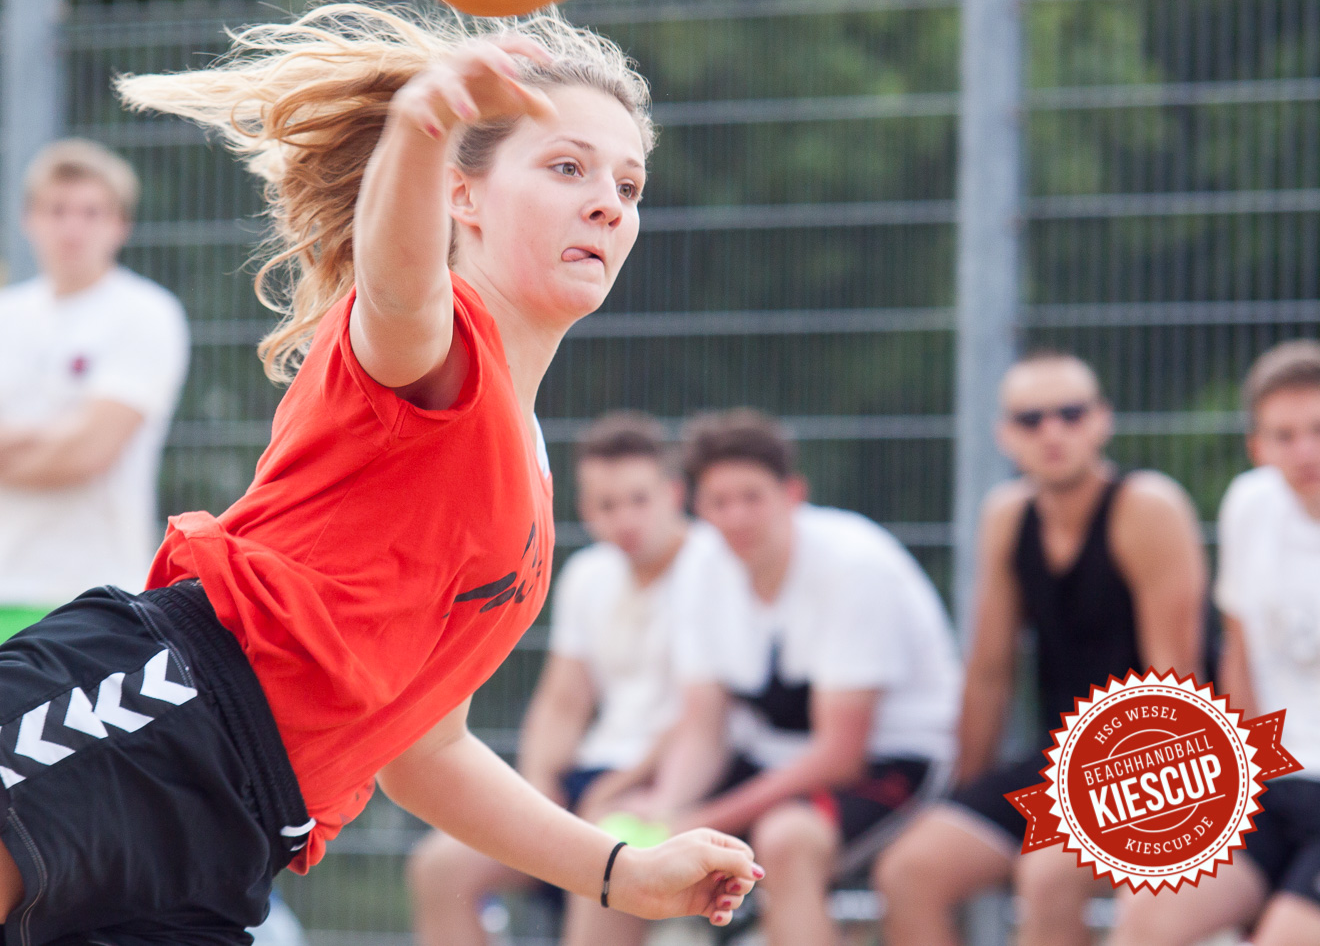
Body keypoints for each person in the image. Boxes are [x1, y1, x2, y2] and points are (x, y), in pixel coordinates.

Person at [0, 3, 760, 946]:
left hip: (231, 836)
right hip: (146, 716)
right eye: (568, 168)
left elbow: (422, 749)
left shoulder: (529, 480)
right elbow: (397, 284)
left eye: (627, 184)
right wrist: (419, 126)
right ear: (463, 196)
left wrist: (620, 870)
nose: (608, 204)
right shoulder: (436, 342)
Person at [565, 409, 962, 946]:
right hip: (774, 760)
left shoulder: (853, 566)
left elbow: (840, 753)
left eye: (752, 497)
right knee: (615, 845)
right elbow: (703, 724)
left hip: (890, 764)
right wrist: (666, 808)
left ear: (792, 493)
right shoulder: (703, 567)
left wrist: (704, 816)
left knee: (787, 839)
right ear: (696, 505)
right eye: (719, 502)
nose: (736, 517)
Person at [874, 349, 1207, 946]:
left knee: (1046, 875)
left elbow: (1176, 686)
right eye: (1031, 420)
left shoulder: (1147, 508)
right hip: (1059, 760)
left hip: (1158, 762)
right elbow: (990, 673)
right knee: (908, 871)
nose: (1052, 432)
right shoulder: (1007, 517)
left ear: (1102, 420)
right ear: (1005, 435)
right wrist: (966, 791)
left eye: (1070, 414)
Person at [410, 411, 735, 946]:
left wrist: (616, 789)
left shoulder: (712, 565)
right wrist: (537, 789)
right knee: (441, 868)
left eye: (639, 499)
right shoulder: (587, 576)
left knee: (606, 862)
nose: (625, 519)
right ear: (584, 510)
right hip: (592, 779)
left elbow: (704, 717)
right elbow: (562, 701)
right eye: (607, 505)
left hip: (668, 785)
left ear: (674, 494)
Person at [0, 138, 190, 671]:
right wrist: (43, 434)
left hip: (98, 595)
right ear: (29, 219)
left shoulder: (145, 314)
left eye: (91, 212)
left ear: (120, 224)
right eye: (56, 210)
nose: (72, 228)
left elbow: (86, 455)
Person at [1111, 340, 1320, 946]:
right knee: (1143, 919)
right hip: (1277, 783)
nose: (1304, 450)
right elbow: (1240, 650)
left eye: (1317, 429)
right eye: (1283, 435)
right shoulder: (1249, 504)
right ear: (1257, 446)